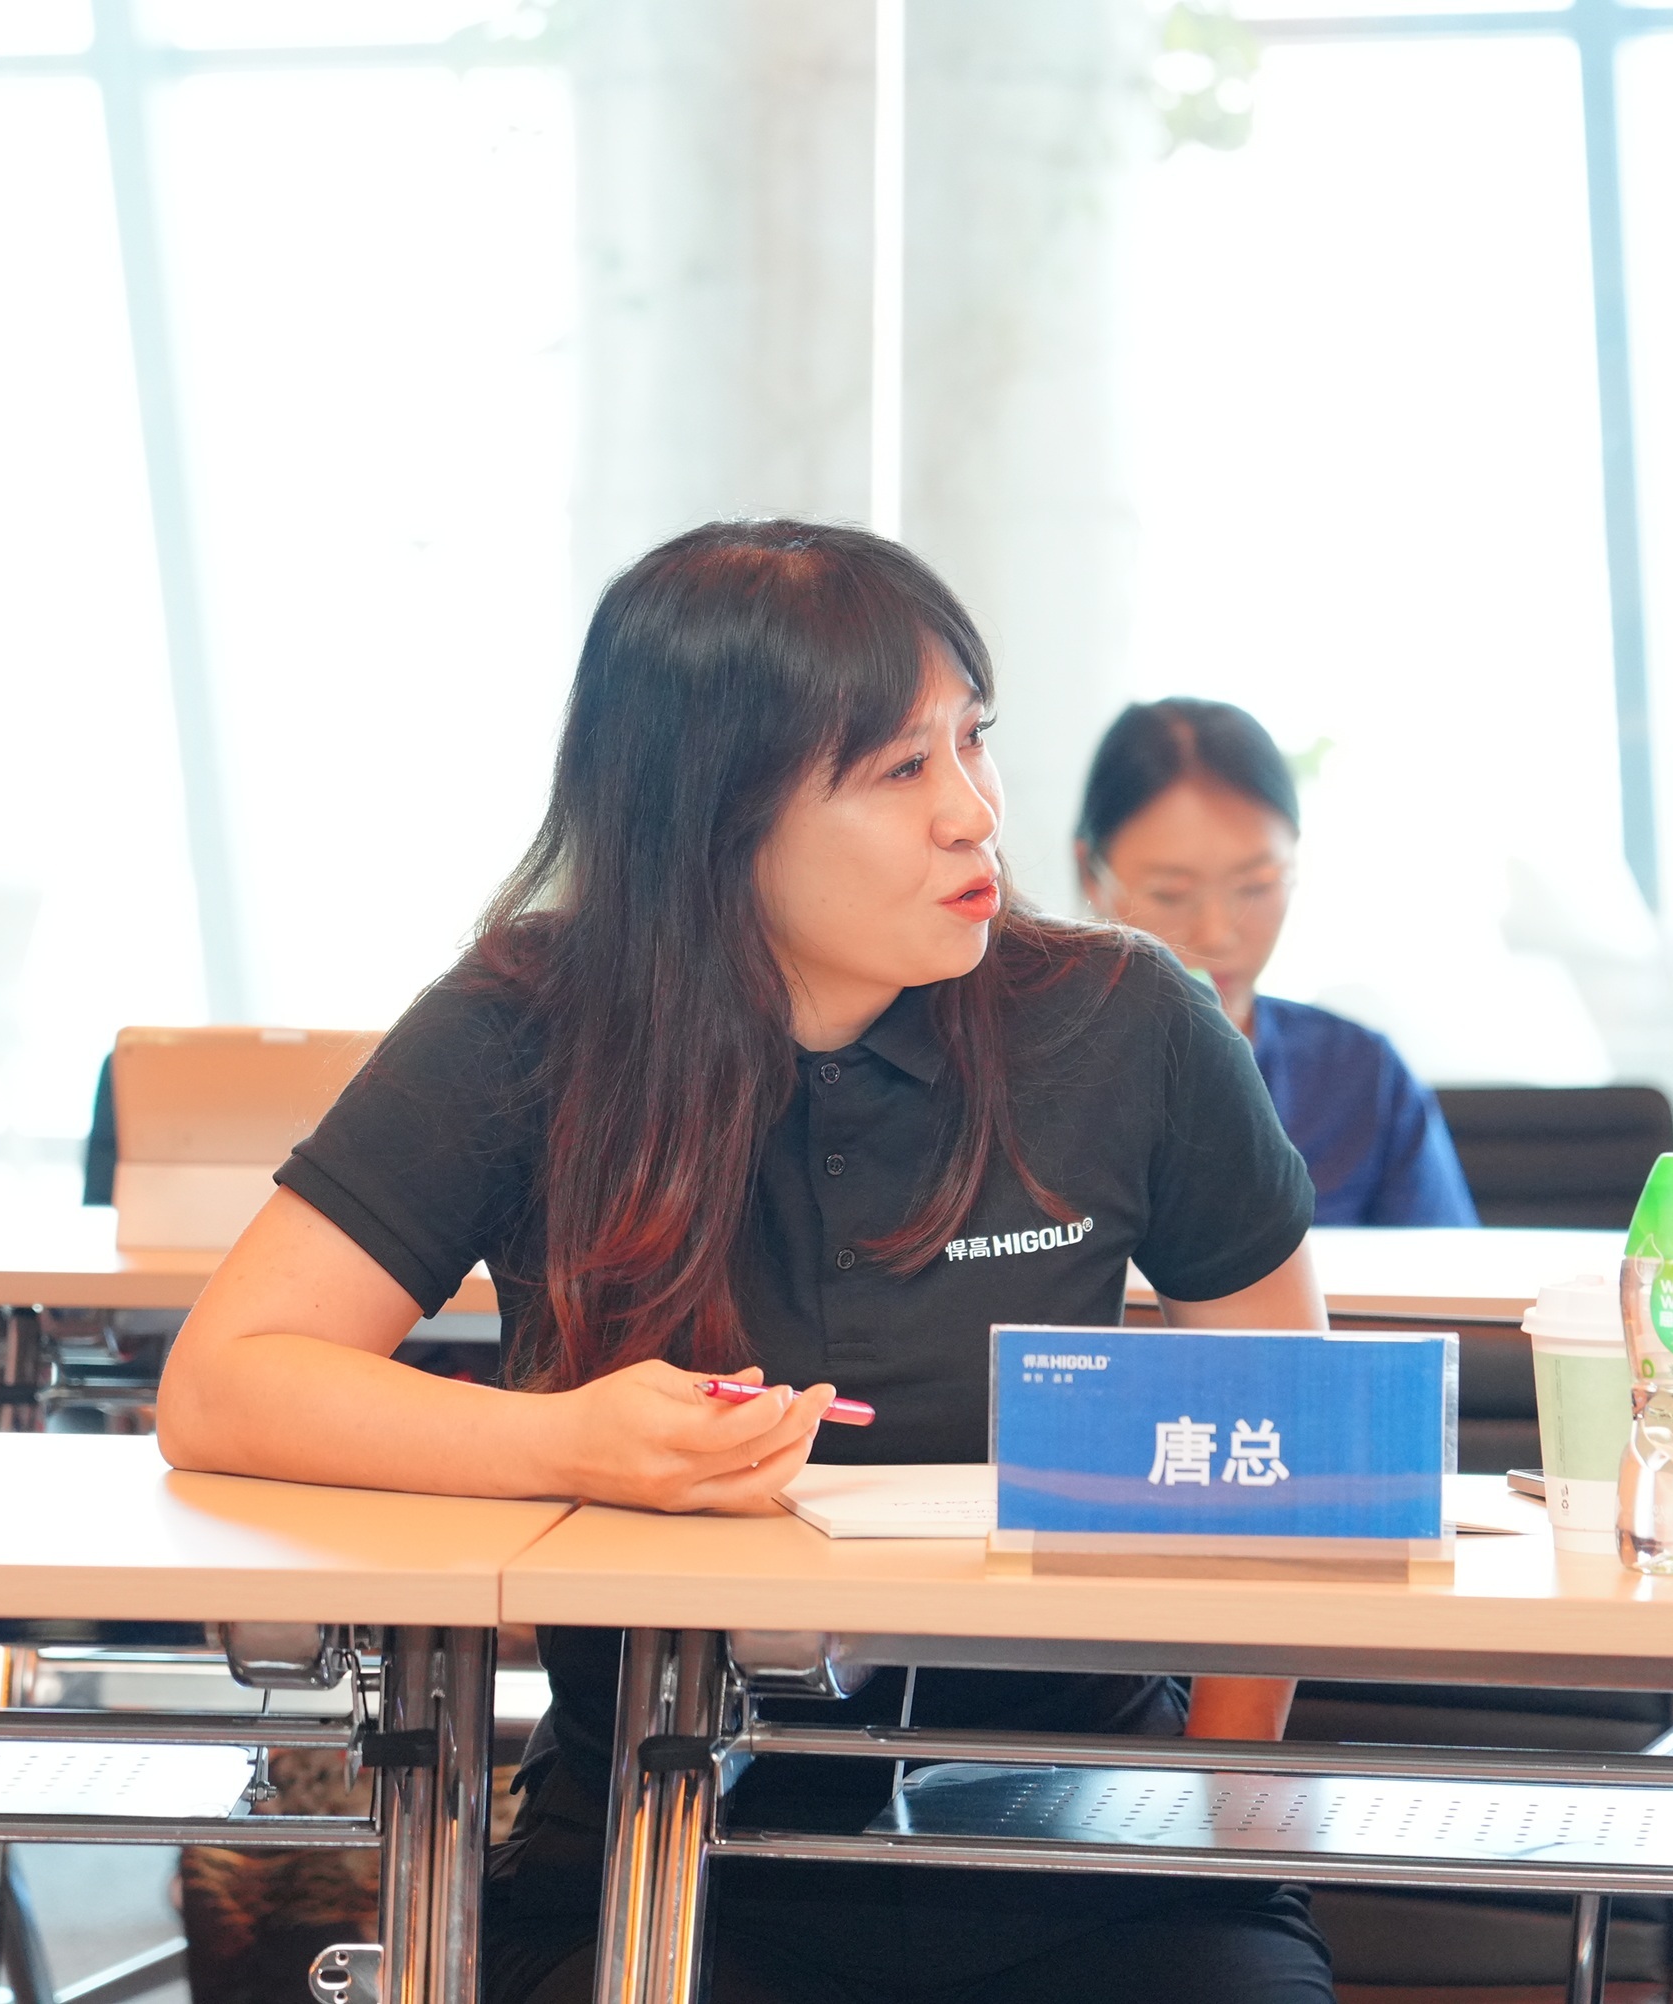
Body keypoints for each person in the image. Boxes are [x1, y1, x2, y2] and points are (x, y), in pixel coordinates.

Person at [156, 521, 1336, 2004]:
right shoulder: (528, 1023)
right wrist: (565, 1444)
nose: (975, 814)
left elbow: (1301, 1447)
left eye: (973, 743)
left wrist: (1217, 1815)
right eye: (900, 770)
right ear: (717, 813)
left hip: (1083, 1830)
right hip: (655, 1839)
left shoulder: (1124, 1023)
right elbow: (227, 1382)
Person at [1076, 697, 1478, 1227]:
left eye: (1257, 885)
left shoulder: (1359, 1078)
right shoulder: (1031, 1081)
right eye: (1171, 893)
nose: (1217, 934)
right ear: (1090, 875)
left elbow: (1448, 1272)